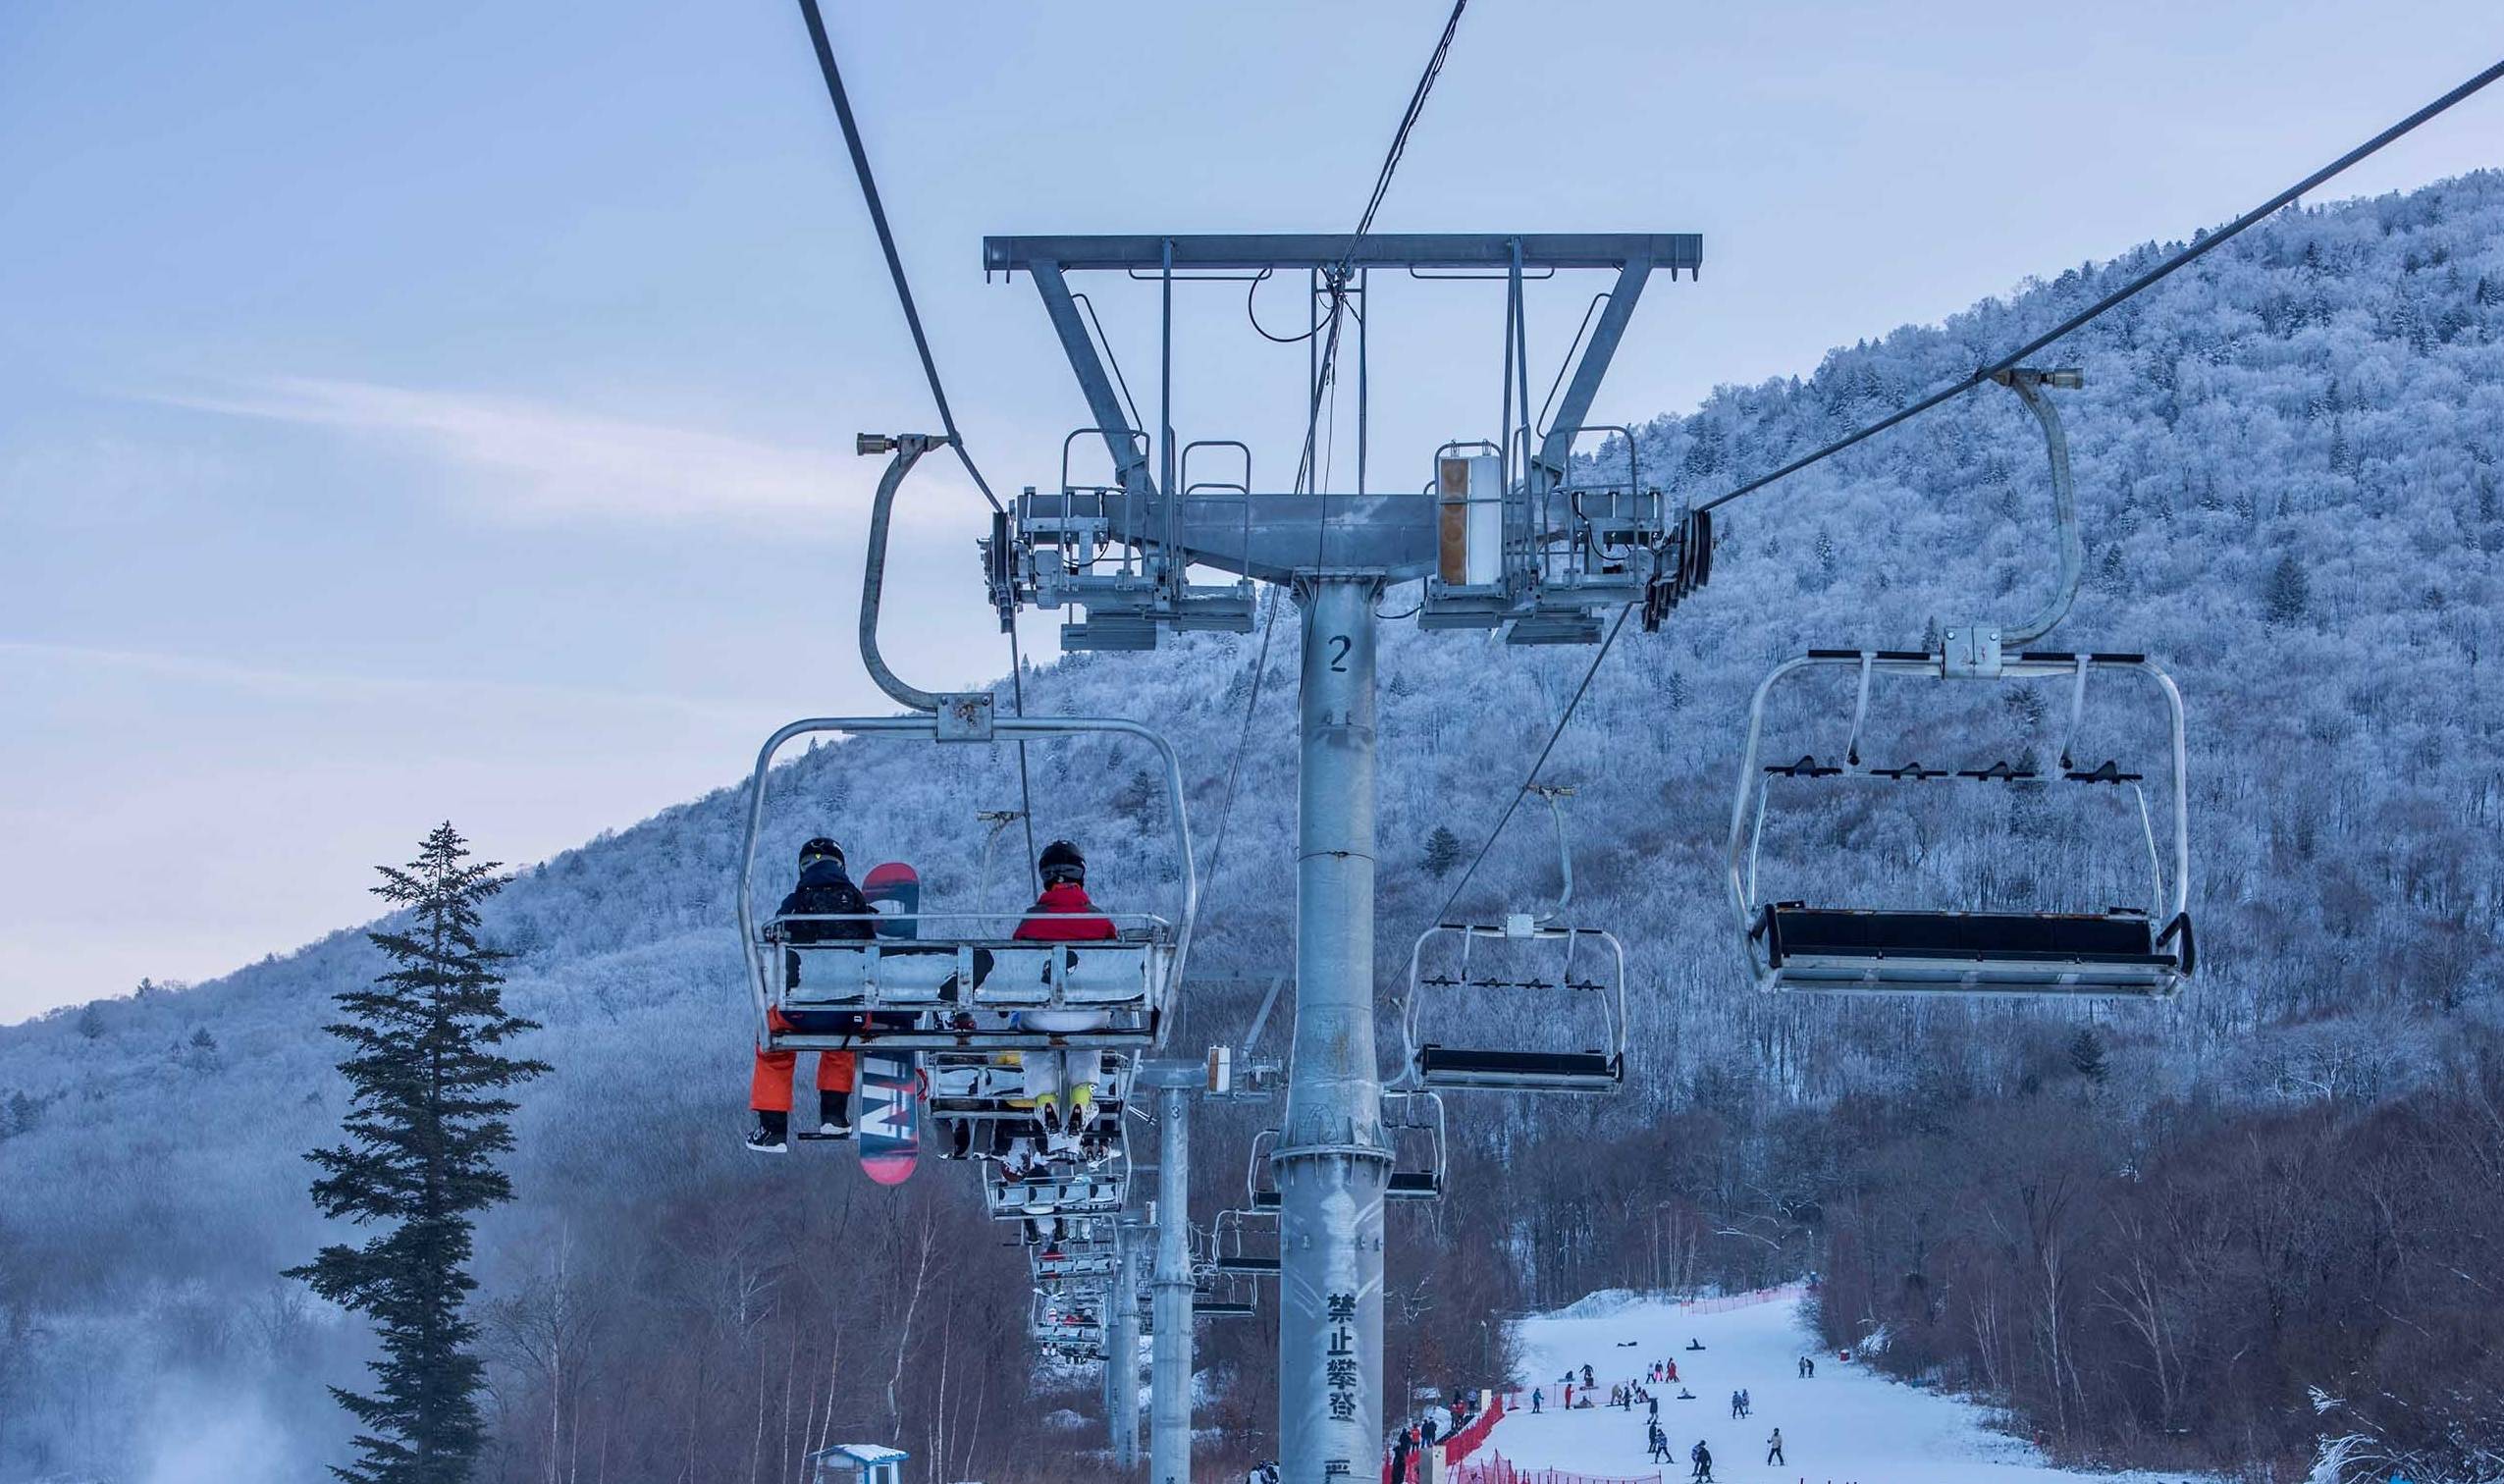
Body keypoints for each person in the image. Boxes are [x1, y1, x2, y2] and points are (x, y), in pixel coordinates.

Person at [748, 838, 874, 1152]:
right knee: (841, 1042)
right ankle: (833, 1116)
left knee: (772, 1046)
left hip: (799, 1011)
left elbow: (776, 942)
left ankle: (772, 1129)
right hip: (849, 1012)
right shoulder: (856, 903)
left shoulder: (794, 904)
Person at [1010, 841, 1118, 1149]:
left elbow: (1014, 970)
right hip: (1089, 1015)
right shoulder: (1099, 921)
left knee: (1034, 1038)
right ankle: (1081, 1099)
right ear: (1080, 876)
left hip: (1044, 1013)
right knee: (1089, 1039)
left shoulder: (1032, 921)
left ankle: (1045, 1099)